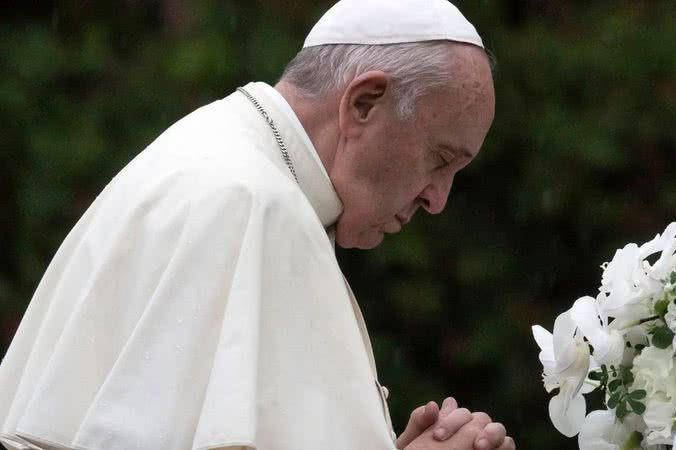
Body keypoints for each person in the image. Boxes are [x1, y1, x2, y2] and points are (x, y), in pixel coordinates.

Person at [0, 1, 513, 449]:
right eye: (440, 158)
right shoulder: (255, 203)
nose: (437, 199)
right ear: (363, 103)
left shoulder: (209, 152)